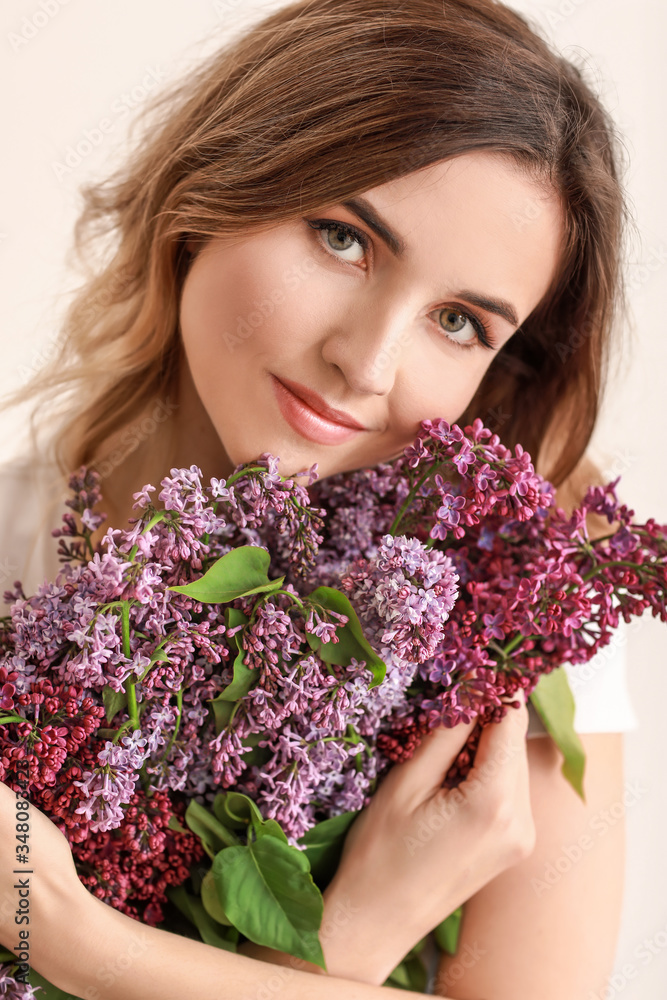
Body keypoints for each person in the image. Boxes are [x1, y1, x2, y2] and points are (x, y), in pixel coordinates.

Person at [0, 0, 639, 995]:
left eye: (460, 321)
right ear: (209, 188)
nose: (365, 363)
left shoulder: (514, 619)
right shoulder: (14, 547)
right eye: (345, 239)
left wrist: (80, 941)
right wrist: (342, 952)